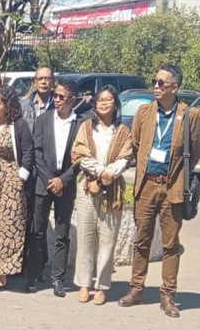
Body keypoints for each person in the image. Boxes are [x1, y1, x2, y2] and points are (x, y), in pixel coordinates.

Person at [118, 64, 200, 318]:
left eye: (161, 83)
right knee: (141, 239)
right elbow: (136, 144)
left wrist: (178, 176)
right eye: (155, 81)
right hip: (146, 185)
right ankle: (136, 288)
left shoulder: (191, 115)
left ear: (174, 87)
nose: (156, 85)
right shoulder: (144, 112)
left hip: (172, 186)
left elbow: (195, 150)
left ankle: (168, 295)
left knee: (170, 244)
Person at [70, 85, 132, 305]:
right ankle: (84, 284)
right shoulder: (87, 128)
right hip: (87, 187)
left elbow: (126, 158)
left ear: (115, 103)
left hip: (113, 191)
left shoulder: (124, 131)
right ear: (94, 104)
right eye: (100, 100)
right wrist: (99, 173)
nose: (104, 103)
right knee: (85, 237)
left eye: (109, 99)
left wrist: (109, 175)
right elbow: (79, 153)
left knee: (108, 240)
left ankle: (102, 286)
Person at [27, 78, 81, 296]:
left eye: (61, 97)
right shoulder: (43, 119)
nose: (56, 100)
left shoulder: (80, 124)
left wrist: (63, 180)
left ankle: (58, 278)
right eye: (55, 96)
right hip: (44, 182)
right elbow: (36, 152)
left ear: (72, 100)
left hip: (65, 184)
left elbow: (81, 158)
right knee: (37, 231)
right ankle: (34, 274)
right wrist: (49, 179)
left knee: (62, 232)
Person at [0, 85, 34, 291]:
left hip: (11, 180)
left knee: (7, 226)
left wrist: (21, 177)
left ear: (9, 105)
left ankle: (2, 273)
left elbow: (28, 152)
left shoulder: (18, 125)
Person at [20, 66, 55, 133]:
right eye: (40, 78)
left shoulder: (58, 106)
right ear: (35, 82)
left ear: (53, 82)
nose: (43, 82)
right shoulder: (24, 105)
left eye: (47, 79)